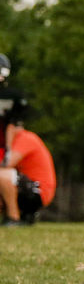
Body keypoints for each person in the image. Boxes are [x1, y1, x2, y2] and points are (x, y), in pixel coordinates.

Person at [0, 90, 53, 226]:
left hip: (38, 192)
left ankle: (14, 218)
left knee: (2, 174)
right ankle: (24, 216)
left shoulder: (26, 138)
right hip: (26, 187)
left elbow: (6, 163)